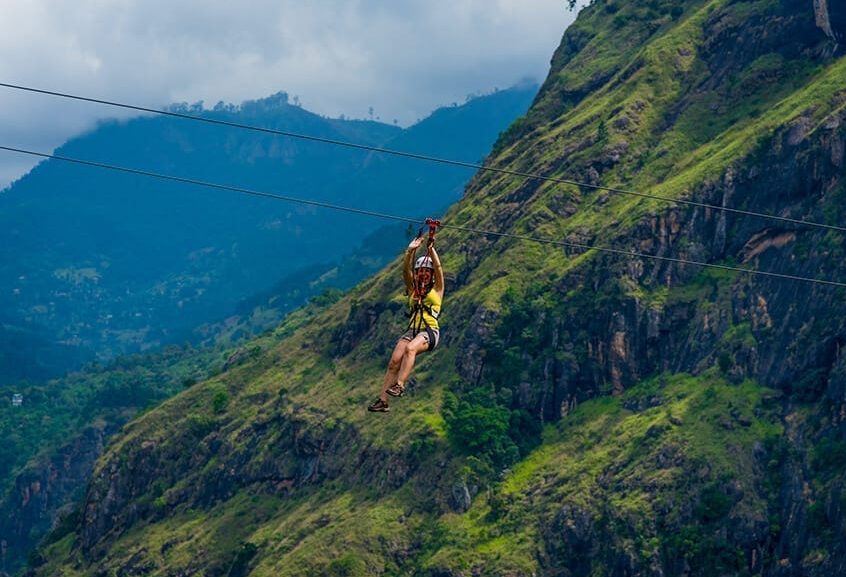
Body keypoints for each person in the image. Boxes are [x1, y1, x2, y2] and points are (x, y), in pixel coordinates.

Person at [368, 235, 444, 412]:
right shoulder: (412, 289)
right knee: (394, 362)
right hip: (412, 330)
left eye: (427, 271)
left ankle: (400, 385)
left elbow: (439, 269)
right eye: (420, 271)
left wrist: (431, 249)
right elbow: (405, 272)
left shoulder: (437, 290)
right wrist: (410, 251)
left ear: (431, 274)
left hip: (429, 331)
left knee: (411, 349)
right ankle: (383, 401)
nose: (423, 274)